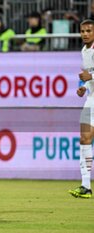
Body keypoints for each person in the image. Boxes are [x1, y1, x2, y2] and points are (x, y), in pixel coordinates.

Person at [68, 19, 94, 199]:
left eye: (89, 30)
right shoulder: (84, 51)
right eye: (82, 31)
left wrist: (90, 75)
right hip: (91, 99)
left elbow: (89, 73)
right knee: (84, 138)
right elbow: (85, 76)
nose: (85, 33)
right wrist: (83, 86)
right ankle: (86, 185)